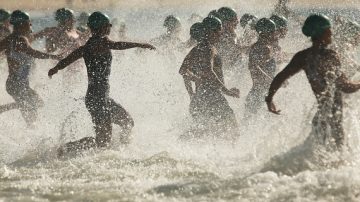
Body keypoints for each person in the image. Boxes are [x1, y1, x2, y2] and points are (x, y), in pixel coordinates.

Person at [48, 12, 155, 156]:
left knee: (127, 122)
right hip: (97, 98)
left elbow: (70, 57)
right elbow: (117, 45)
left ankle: (123, 152)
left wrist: (56, 68)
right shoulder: (100, 42)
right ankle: (66, 149)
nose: (110, 27)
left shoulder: (89, 45)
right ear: (102, 27)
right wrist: (139, 44)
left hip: (100, 97)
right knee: (102, 141)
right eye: (108, 25)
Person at [265, 14, 360, 150]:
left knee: (318, 156)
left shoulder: (302, 57)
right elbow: (345, 87)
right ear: (321, 33)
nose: (332, 33)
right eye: (329, 30)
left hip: (320, 118)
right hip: (334, 119)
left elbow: (280, 76)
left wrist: (269, 99)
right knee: (338, 157)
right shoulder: (330, 56)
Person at [179, 16, 240, 139]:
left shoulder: (196, 49)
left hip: (199, 98)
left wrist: (192, 94)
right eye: (219, 30)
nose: (221, 33)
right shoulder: (209, 49)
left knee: (208, 132)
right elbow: (209, 70)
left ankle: (182, 141)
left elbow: (183, 71)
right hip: (212, 96)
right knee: (232, 128)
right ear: (211, 32)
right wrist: (226, 90)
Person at [0, 10, 60, 126]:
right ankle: (4, 109)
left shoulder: (11, 39)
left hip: (17, 84)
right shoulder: (20, 39)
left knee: (36, 106)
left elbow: (31, 42)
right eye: (29, 22)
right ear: (21, 24)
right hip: (17, 84)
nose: (31, 25)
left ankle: (5, 109)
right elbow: (33, 53)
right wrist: (54, 56)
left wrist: (43, 32)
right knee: (33, 110)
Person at [244, 18, 277, 117]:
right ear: (266, 33)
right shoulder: (262, 48)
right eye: (273, 31)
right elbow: (254, 67)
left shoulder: (262, 46)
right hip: (258, 95)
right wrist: (274, 80)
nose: (275, 34)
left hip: (259, 94)